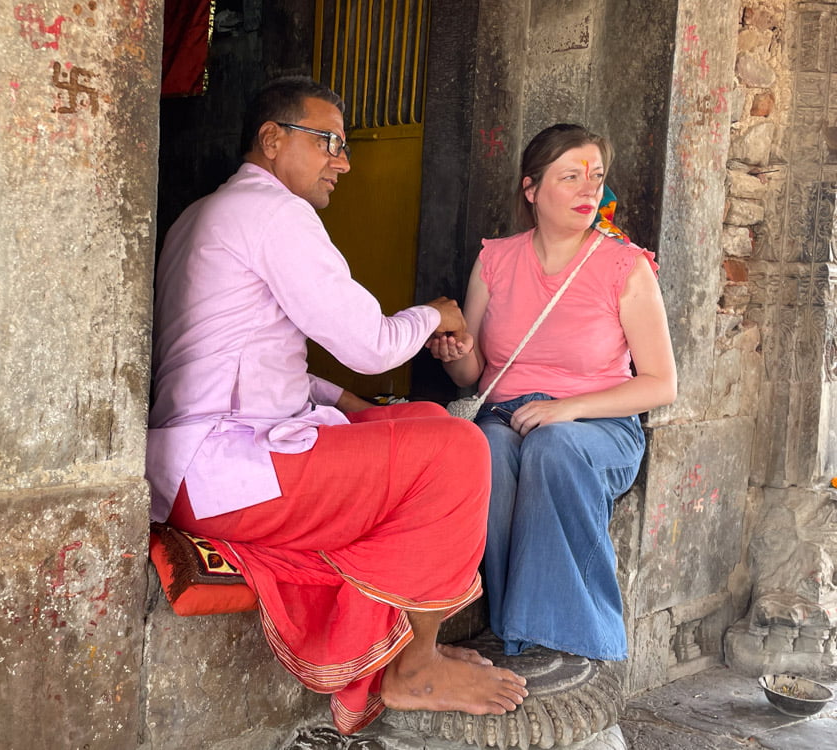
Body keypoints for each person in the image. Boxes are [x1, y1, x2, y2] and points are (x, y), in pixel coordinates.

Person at [145, 76, 527, 735]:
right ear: (272, 139)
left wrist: (347, 401)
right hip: (228, 476)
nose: (344, 163)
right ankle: (418, 667)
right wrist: (434, 313)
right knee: (461, 450)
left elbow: (247, 358)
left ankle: (403, 644)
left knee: (427, 421)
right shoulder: (274, 213)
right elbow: (371, 344)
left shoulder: (203, 214)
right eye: (330, 143)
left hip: (193, 469)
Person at [429, 123, 677, 661]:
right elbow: (472, 375)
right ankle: (512, 624)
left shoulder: (625, 266)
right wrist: (454, 352)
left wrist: (566, 410)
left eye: (596, 177)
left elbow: (661, 384)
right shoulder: (496, 260)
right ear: (532, 189)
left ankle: (573, 636)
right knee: (487, 450)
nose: (590, 191)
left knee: (553, 448)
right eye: (570, 177)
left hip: (598, 426)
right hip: (506, 417)